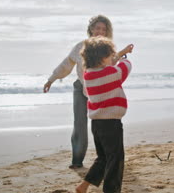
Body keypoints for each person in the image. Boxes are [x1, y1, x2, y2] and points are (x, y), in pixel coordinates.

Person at [43, 15, 122, 169]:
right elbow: (67, 64)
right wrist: (51, 79)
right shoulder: (80, 46)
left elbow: (112, 69)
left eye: (104, 29)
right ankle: (77, 161)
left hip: (100, 91)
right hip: (81, 89)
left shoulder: (107, 49)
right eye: (97, 28)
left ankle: (108, 159)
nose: (100, 31)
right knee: (79, 125)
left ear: (107, 32)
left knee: (102, 127)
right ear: (91, 29)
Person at [76, 37, 133, 193]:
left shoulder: (88, 75)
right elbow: (126, 67)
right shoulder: (111, 73)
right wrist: (123, 58)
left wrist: (117, 57)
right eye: (110, 56)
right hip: (111, 124)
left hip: (96, 124)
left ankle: (83, 186)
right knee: (115, 159)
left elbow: (109, 67)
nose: (112, 59)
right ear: (102, 58)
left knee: (103, 158)